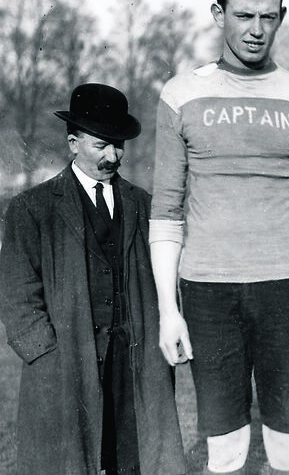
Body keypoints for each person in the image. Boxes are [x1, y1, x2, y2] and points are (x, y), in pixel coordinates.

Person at [149, 0, 289, 475]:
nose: (256, 30)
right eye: (243, 15)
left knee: (287, 446)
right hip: (209, 291)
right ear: (219, 14)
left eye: (268, 16)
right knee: (226, 448)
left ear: (281, 16)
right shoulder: (179, 95)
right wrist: (170, 309)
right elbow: (166, 211)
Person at [0, 83, 186, 474]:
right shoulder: (32, 209)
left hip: (133, 361)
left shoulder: (143, 204)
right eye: (101, 144)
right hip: (66, 361)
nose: (112, 156)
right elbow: (17, 293)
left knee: (135, 457)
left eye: (118, 145)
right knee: (68, 462)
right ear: (73, 142)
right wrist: (47, 355)